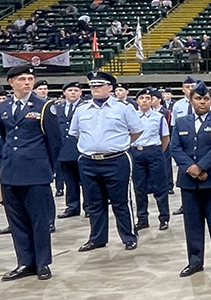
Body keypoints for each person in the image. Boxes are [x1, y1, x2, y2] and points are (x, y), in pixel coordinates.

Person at [0, 66, 59, 281]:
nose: (27, 82)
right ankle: (24, 262)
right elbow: (5, 136)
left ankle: (42, 263)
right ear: (11, 82)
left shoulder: (44, 106)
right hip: (11, 171)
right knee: (17, 221)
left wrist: (47, 169)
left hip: (36, 171)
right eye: (22, 79)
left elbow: (54, 142)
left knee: (39, 220)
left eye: (30, 78)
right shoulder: (2, 107)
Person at [71, 72, 143, 252]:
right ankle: (97, 238)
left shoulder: (124, 108)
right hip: (88, 161)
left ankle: (129, 236)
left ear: (110, 87)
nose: (95, 88)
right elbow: (76, 133)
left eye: (99, 85)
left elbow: (136, 131)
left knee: (121, 201)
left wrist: (119, 144)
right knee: (94, 203)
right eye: (93, 86)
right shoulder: (81, 109)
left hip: (116, 159)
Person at [169, 81, 211, 277]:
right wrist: (191, 168)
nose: (202, 102)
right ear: (191, 99)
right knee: (192, 224)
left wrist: (202, 167)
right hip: (189, 182)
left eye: (206, 99)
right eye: (198, 98)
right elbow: (175, 148)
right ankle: (195, 261)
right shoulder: (181, 122)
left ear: (210, 100)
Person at [132, 88, 172, 231]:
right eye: (141, 98)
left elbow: (165, 138)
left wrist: (157, 151)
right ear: (137, 101)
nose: (144, 101)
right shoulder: (132, 117)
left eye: (148, 98)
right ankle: (142, 219)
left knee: (160, 186)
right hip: (136, 152)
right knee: (139, 187)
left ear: (152, 101)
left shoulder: (158, 117)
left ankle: (164, 218)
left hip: (154, 151)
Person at [55, 82, 84, 219]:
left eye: (76, 90)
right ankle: (72, 206)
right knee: (70, 181)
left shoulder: (85, 107)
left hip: (82, 149)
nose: (73, 92)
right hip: (64, 150)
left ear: (81, 93)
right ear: (64, 93)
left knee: (86, 181)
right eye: (70, 90)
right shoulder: (57, 108)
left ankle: (89, 207)